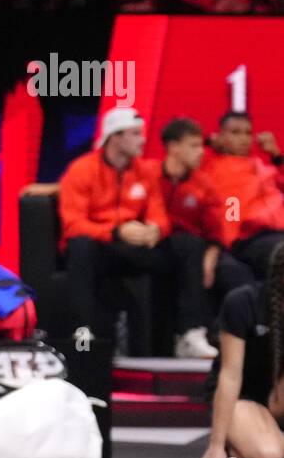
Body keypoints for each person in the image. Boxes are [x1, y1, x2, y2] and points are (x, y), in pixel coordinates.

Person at [59, 107, 216, 357]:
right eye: (135, 134)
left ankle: (189, 334)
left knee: (189, 245)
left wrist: (154, 230)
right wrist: (116, 231)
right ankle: (83, 336)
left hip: (134, 247)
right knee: (80, 246)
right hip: (102, 247)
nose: (143, 140)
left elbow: (159, 215)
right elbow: (73, 224)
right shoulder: (82, 170)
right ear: (115, 137)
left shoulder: (144, 171)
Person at [152, 117, 253, 310]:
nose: (200, 151)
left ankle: (227, 334)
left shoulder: (204, 183)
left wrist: (210, 257)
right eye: (195, 146)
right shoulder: (150, 174)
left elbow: (215, 229)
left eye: (248, 133)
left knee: (235, 273)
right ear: (174, 147)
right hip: (161, 243)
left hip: (202, 246)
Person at [202, 243, 284, 458]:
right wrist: (216, 446)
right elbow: (230, 376)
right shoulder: (243, 303)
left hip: (277, 399)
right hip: (243, 398)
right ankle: (239, 437)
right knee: (269, 454)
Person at [202, 111, 284, 278]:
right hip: (250, 239)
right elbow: (188, 149)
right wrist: (209, 142)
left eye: (248, 133)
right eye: (235, 133)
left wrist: (276, 156)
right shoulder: (213, 168)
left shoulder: (263, 167)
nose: (243, 139)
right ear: (221, 136)